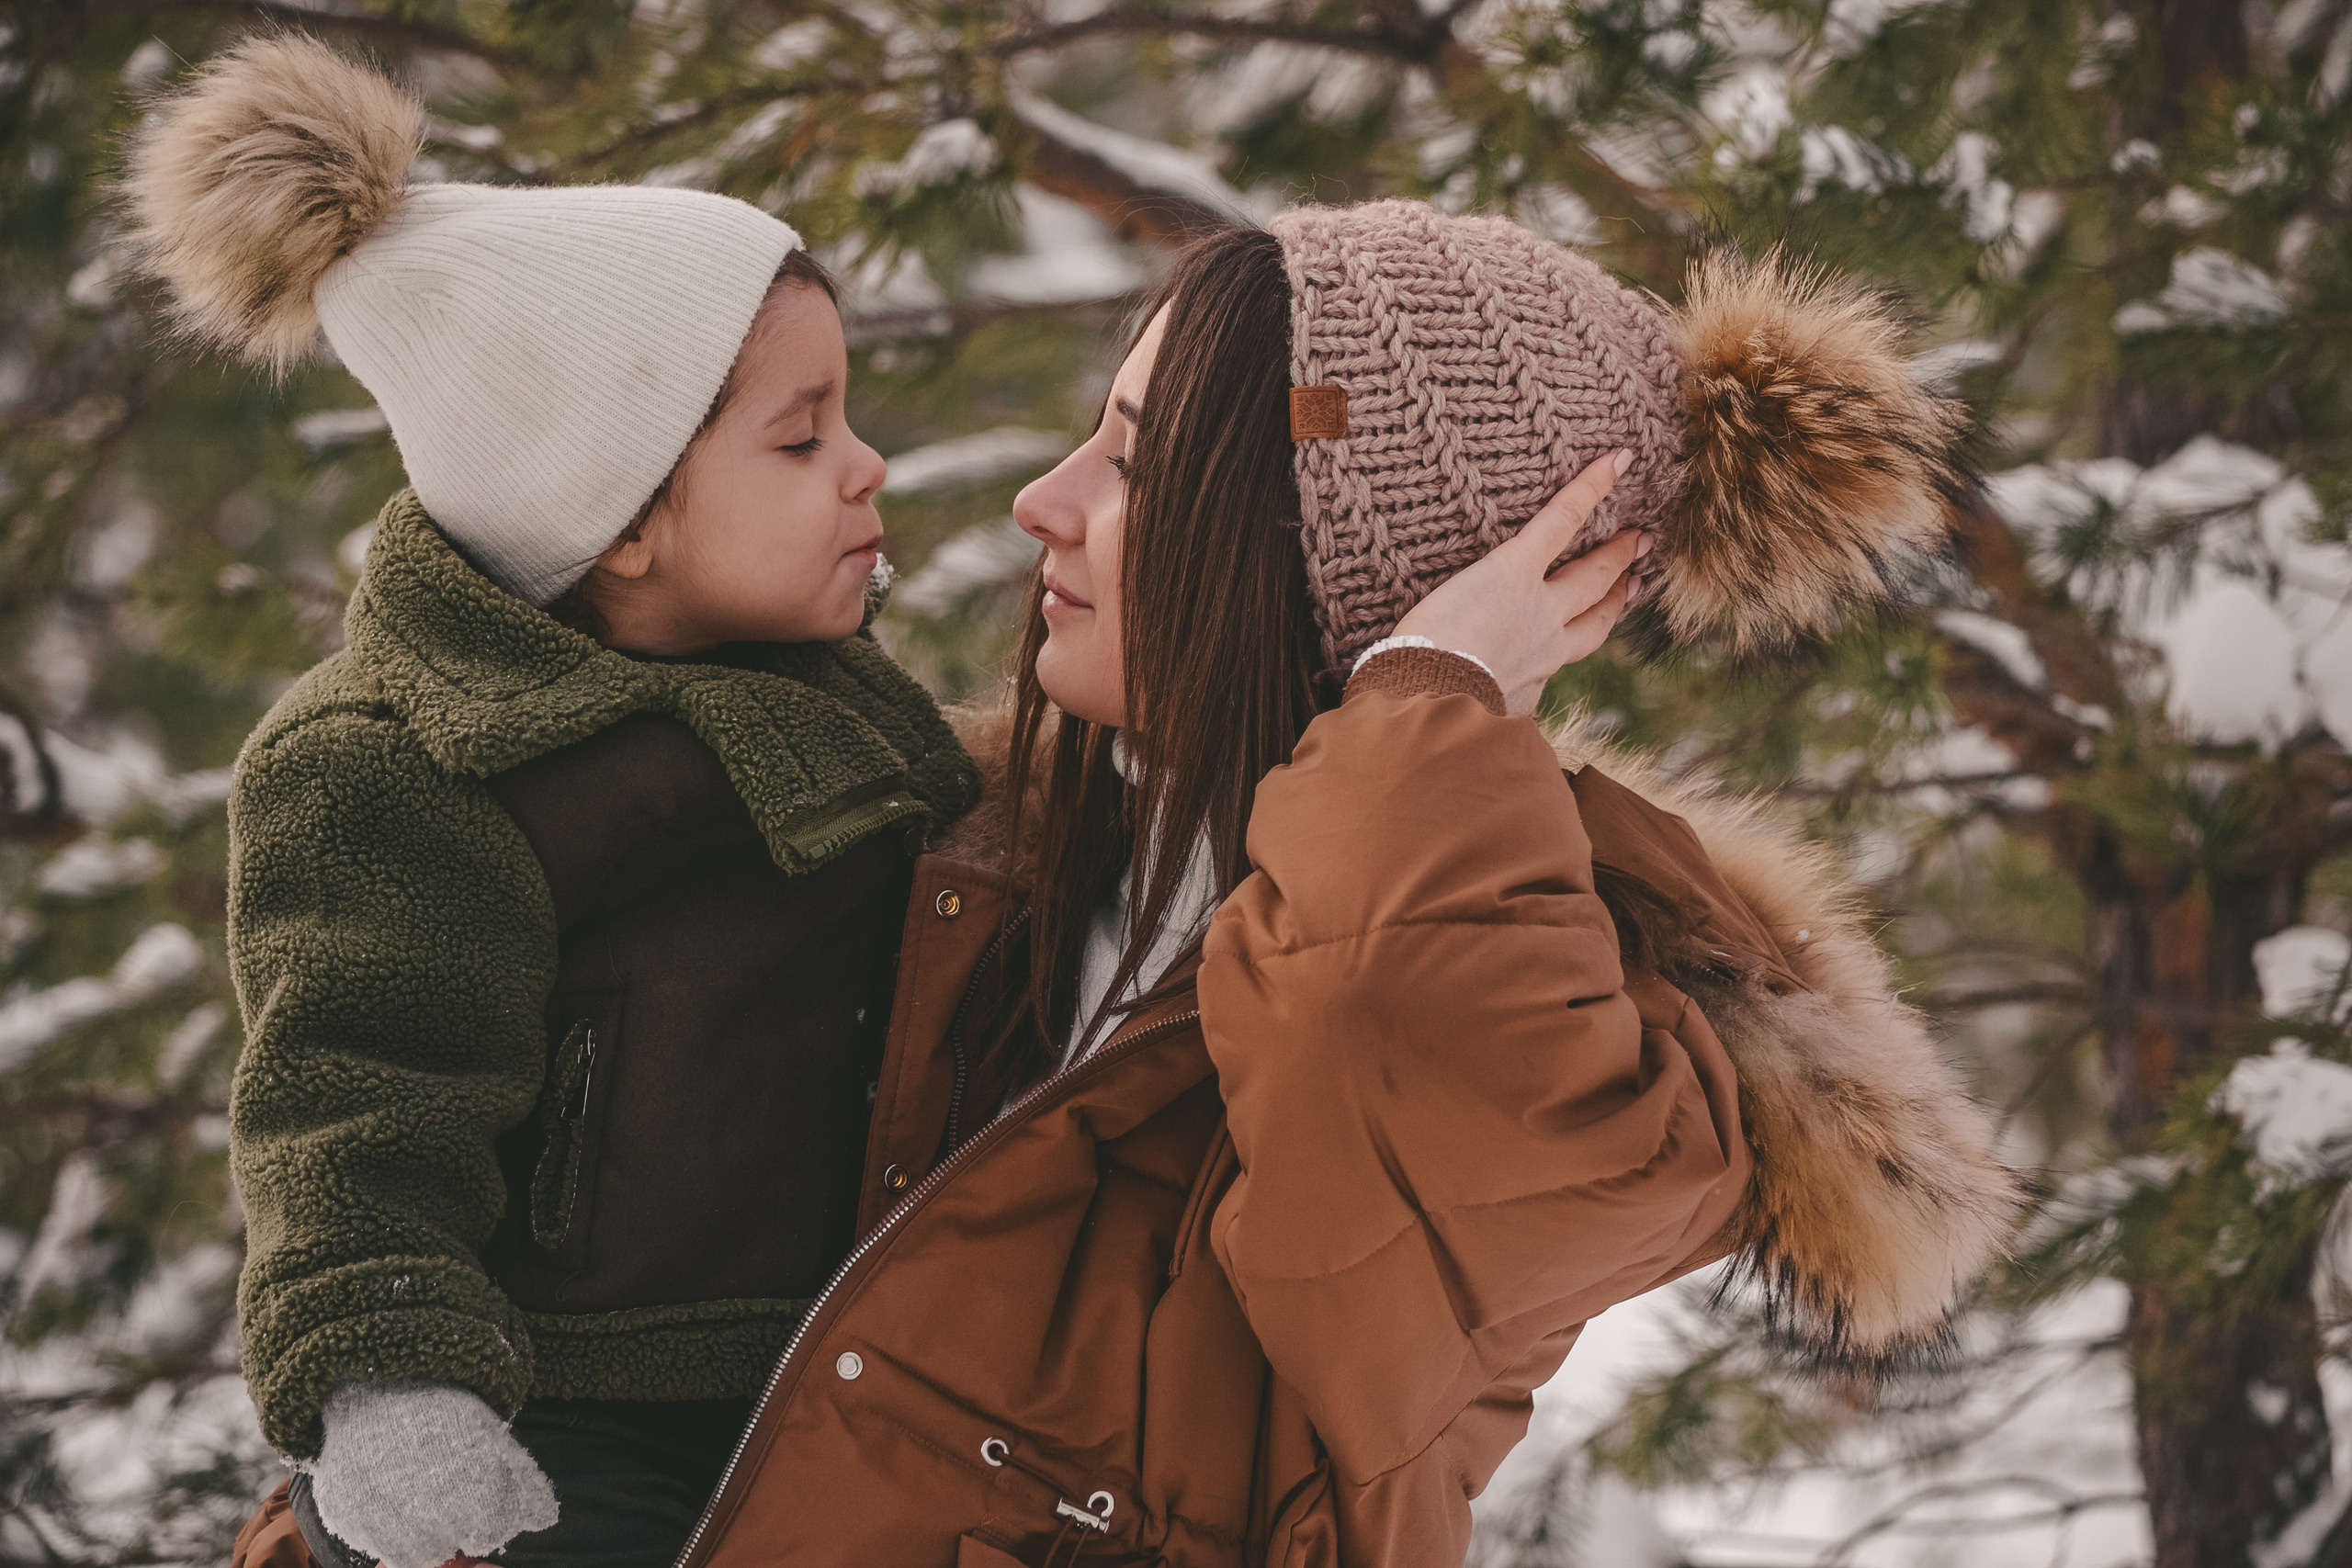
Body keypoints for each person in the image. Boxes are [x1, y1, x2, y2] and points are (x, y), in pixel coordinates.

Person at [635, 211, 2022, 1566]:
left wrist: (1429, 692)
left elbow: (1362, 1021)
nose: (1043, 502)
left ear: (1341, 574)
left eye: (1137, 464)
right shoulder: (987, 849)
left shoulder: (1586, 1045)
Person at [121, 35, 978, 1568]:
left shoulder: (829, 690)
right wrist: (394, 1384)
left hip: (821, 1370)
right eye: (801, 437)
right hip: (540, 1417)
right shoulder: (396, 768)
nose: (868, 467)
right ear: (617, 516)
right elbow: (353, 1107)